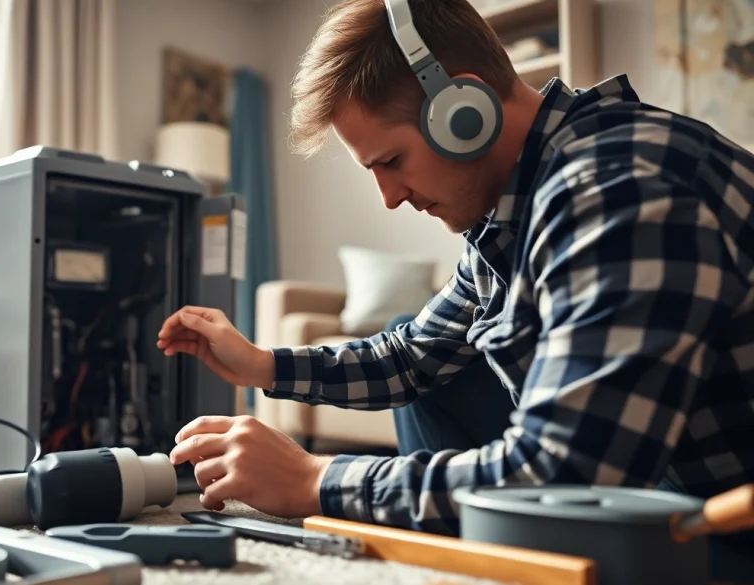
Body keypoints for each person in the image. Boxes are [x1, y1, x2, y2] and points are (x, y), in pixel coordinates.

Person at [157, 0, 754, 577]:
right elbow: (412, 356)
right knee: (434, 368)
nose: (389, 198)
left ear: (463, 111)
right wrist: (262, 365)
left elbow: (566, 474)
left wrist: (315, 479)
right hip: (669, 481)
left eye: (391, 161)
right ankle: (461, 553)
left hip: (729, 525)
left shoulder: (618, 189)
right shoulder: (517, 207)